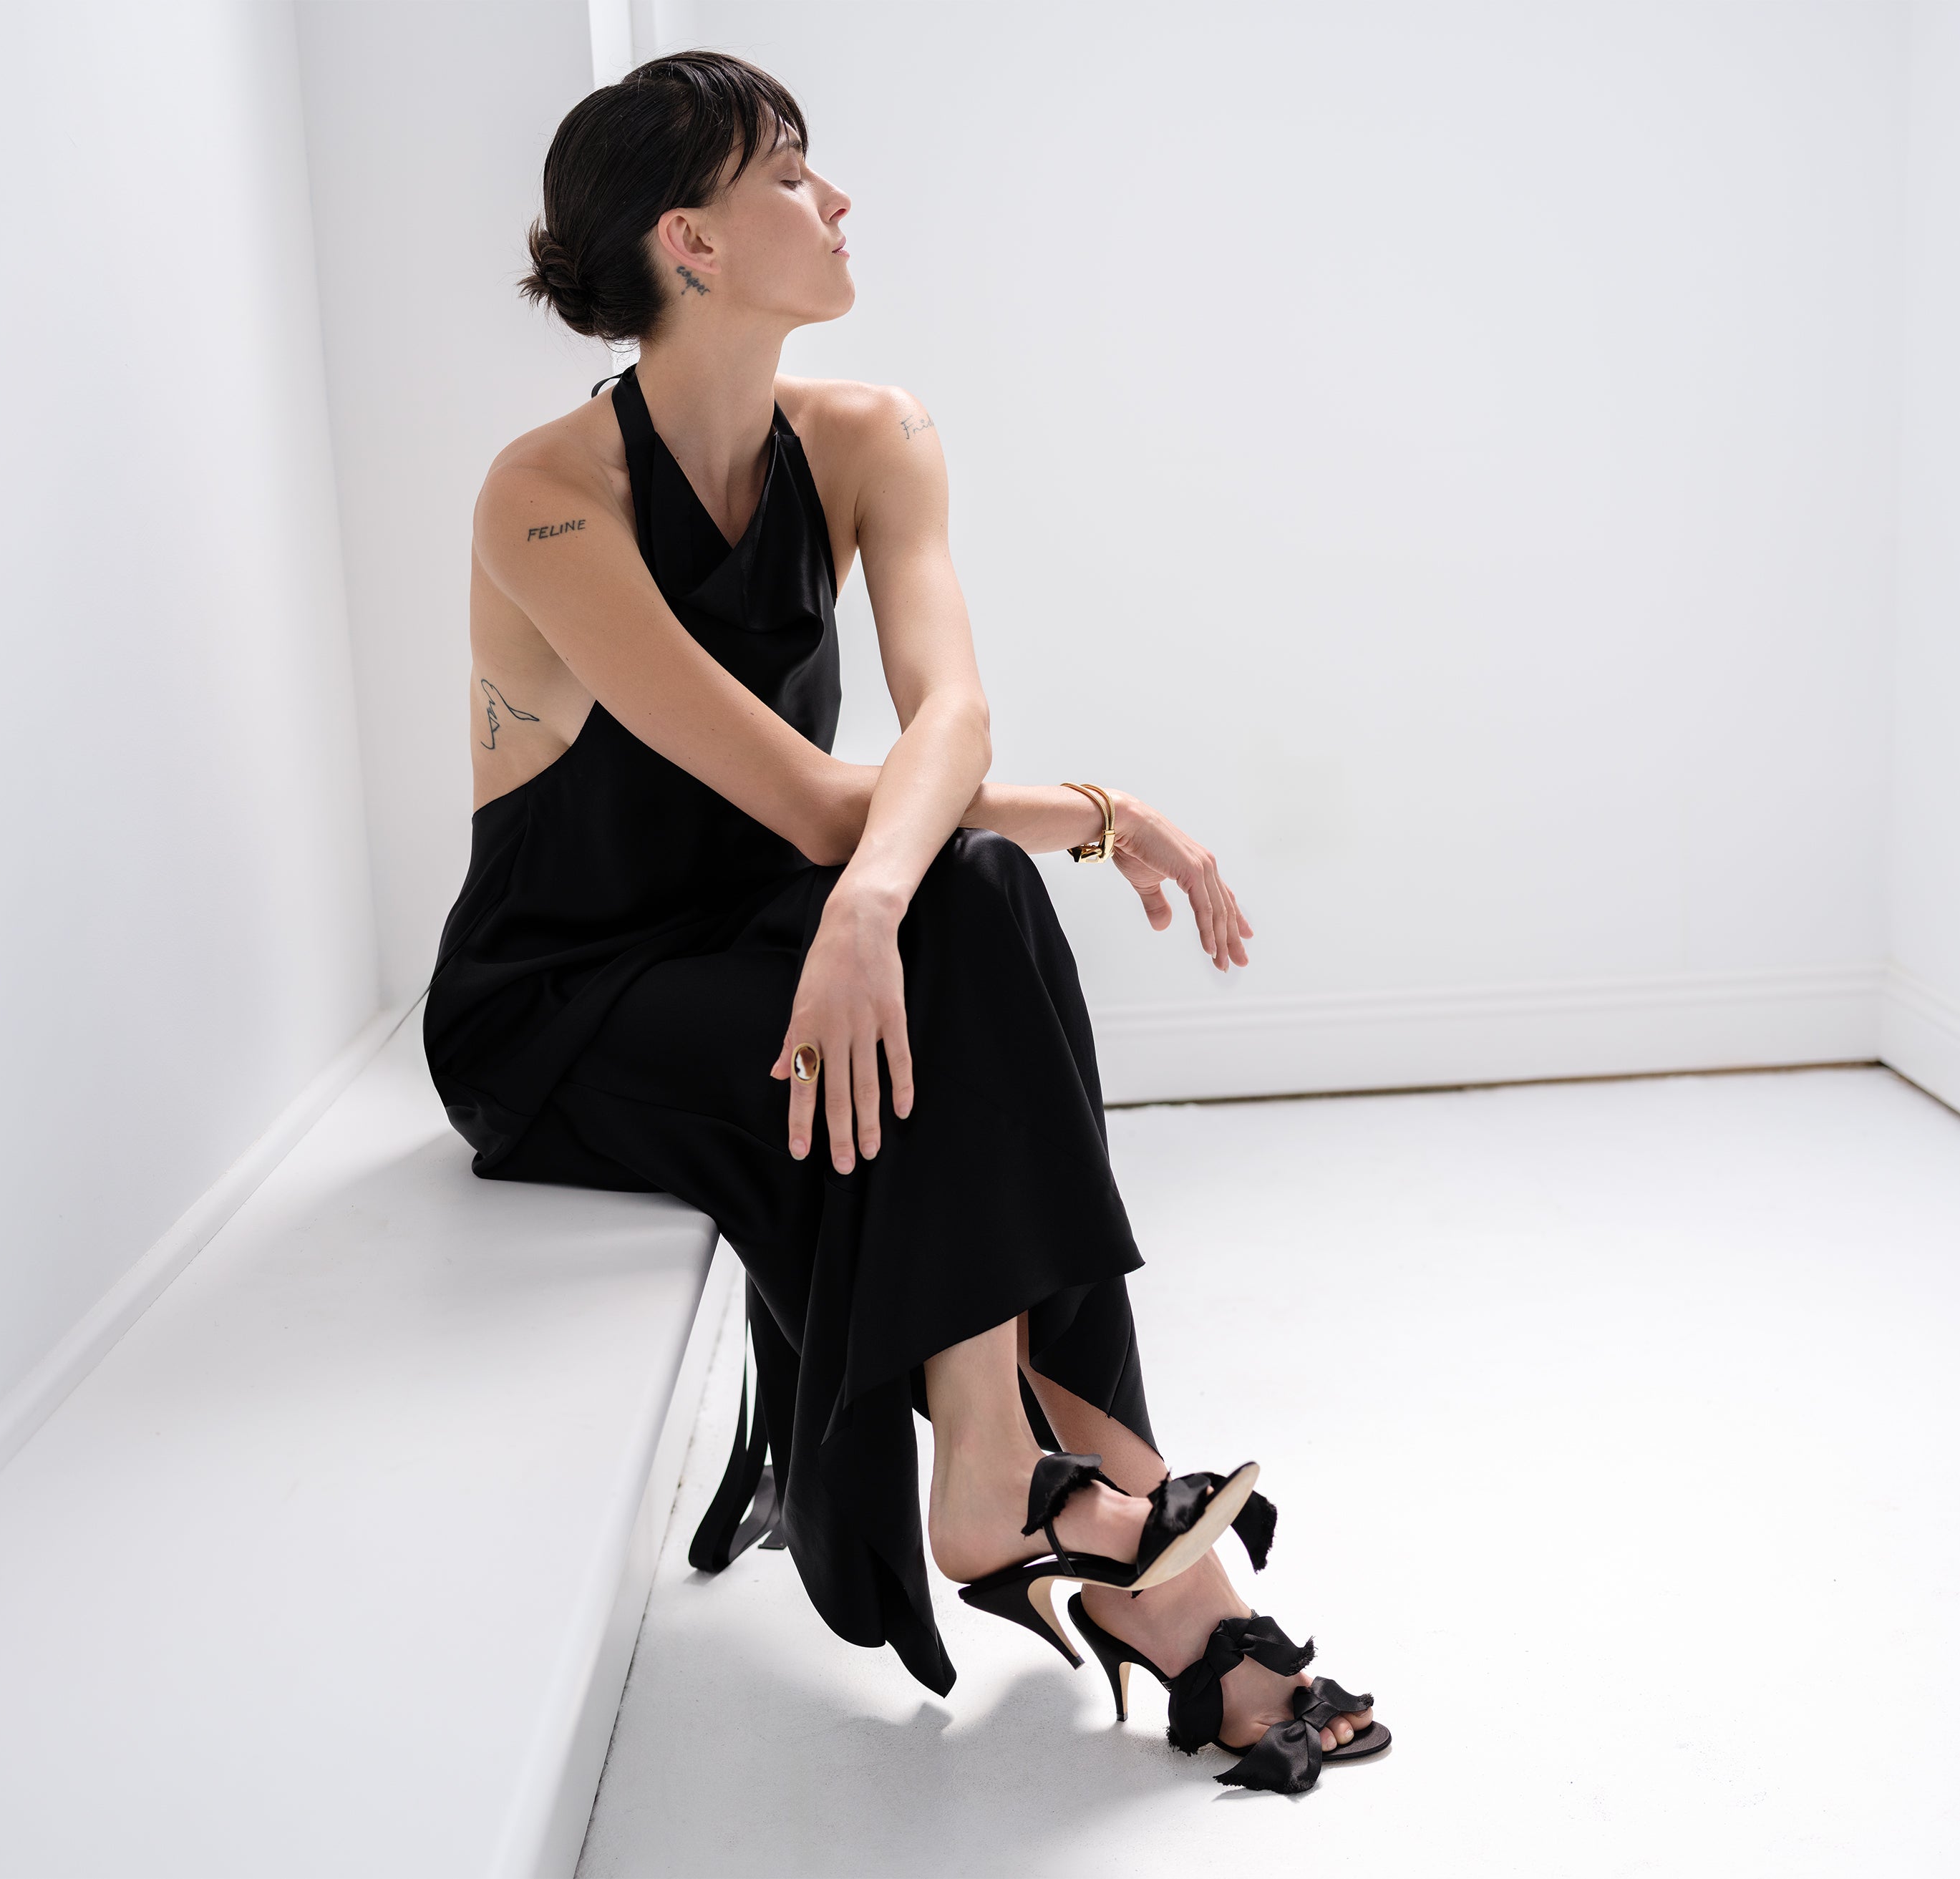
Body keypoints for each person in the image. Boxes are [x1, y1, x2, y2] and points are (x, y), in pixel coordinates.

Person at [422, 51, 1384, 1792]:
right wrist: (1084, 817)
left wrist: (891, 894)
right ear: (690, 242)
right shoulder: (548, 496)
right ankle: (1121, 1533)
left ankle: (1030, 1485)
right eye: (791, 173)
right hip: (565, 1005)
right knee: (954, 950)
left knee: (968, 899)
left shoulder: (871, 437)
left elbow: (951, 718)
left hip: (776, 937)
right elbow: (805, 796)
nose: (838, 199)